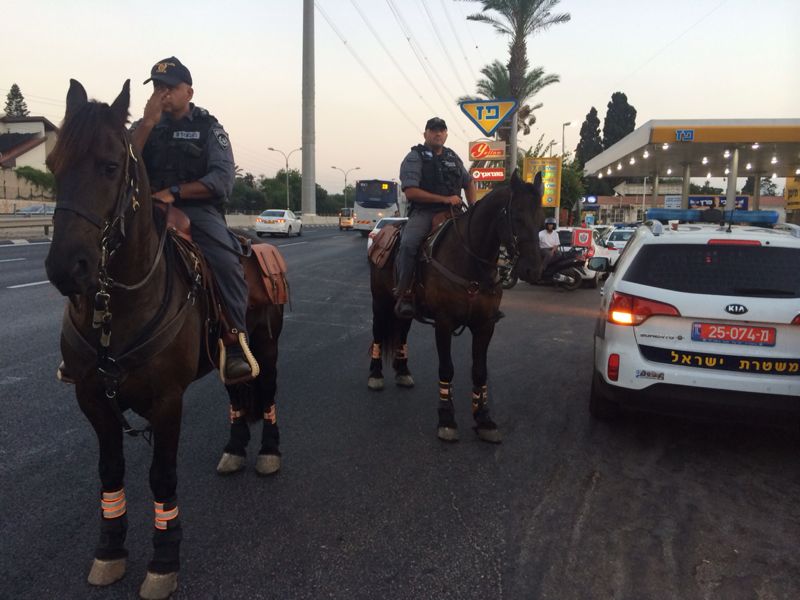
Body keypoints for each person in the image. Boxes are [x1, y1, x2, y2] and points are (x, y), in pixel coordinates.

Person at [130, 57, 256, 382]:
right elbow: (121, 164)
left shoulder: (209, 129)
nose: (163, 93)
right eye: (158, 87)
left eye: (170, 87)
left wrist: (174, 192)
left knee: (225, 260)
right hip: (146, 208)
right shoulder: (144, 127)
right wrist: (146, 124)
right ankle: (85, 343)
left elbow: (222, 180)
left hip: (196, 210)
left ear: (189, 92)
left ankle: (235, 340)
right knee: (98, 249)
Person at [395, 117, 476, 318]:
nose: (438, 133)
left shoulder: (453, 157)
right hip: (425, 212)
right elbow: (411, 191)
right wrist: (445, 199)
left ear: (446, 134)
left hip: (455, 212)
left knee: (479, 239)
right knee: (408, 244)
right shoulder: (415, 157)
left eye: (441, 130)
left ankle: (483, 291)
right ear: (425, 134)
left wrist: (473, 208)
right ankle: (405, 293)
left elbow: (469, 183)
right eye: (433, 130)